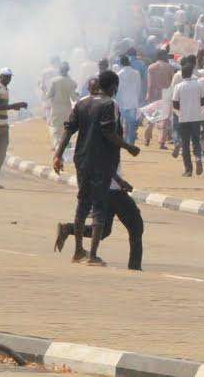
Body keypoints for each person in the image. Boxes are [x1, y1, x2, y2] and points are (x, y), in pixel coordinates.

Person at [52, 70, 140, 265]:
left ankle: (78, 251)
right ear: (113, 87)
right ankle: (92, 255)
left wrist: (57, 155)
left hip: (82, 160)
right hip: (102, 162)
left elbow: (68, 130)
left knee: (82, 204)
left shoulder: (82, 102)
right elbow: (108, 132)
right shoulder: (110, 104)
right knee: (99, 208)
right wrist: (129, 146)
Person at [53, 162, 144, 270]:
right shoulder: (108, 145)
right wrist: (120, 181)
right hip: (113, 190)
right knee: (136, 226)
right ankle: (134, 266)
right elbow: (104, 162)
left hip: (104, 190)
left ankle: (68, 228)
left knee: (103, 230)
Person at [172, 64, 204, 177]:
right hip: (196, 117)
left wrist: (183, 108)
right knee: (196, 141)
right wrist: (195, 106)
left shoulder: (179, 86)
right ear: (191, 74)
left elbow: (175, 104)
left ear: (182, 74)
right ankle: (198, 158)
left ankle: (188, 170)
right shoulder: (198, 85)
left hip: (183, 118)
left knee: (185, 144)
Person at [144, 50, 174, 149]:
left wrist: (148, 94)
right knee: (164, 119)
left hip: (153, 93)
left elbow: (150, 83)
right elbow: (171, 82)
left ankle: (147, 139)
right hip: (165, 94)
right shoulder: (169, 67)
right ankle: (161, 142)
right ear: (164, 56)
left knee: (151, 118)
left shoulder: (151, 67)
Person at [46, 62, 78, 147]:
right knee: (65, 128)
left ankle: (58, 148)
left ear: (59, 70)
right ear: (68, 70)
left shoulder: (54, 81)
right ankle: (65, 146)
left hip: (56, 107)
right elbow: (74, 98)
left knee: (56, 129)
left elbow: (49, 95)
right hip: (67, 107)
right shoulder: (71, 82)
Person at [115, 56, 142, 147]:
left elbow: (118, 89)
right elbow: (139, 87)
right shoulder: (136, 73)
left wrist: (118, 100)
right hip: (133, 101)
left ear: (121, 63)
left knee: (122, 121)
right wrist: (137, 98)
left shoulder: (119, 74)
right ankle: (130, 141)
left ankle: (123, 140)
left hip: (122, 101)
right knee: (131, 122)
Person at [38, 56, 62, 122]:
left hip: (47, 95)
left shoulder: (44, 71)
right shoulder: (60, 71)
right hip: (57, 97)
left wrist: (44, 92)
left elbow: (41, 85)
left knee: (48, 112)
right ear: (57, 62)